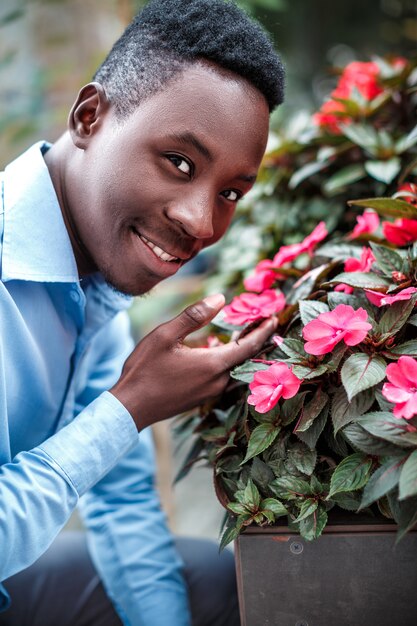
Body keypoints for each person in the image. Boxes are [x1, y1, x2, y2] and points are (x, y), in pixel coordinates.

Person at [0, 0, 284, 624]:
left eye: (230, 193)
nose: (201, 222)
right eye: (179, 163)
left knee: (240, 582)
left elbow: (123, 506)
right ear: (90, 116)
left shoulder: (96, 289)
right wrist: (127, 409)